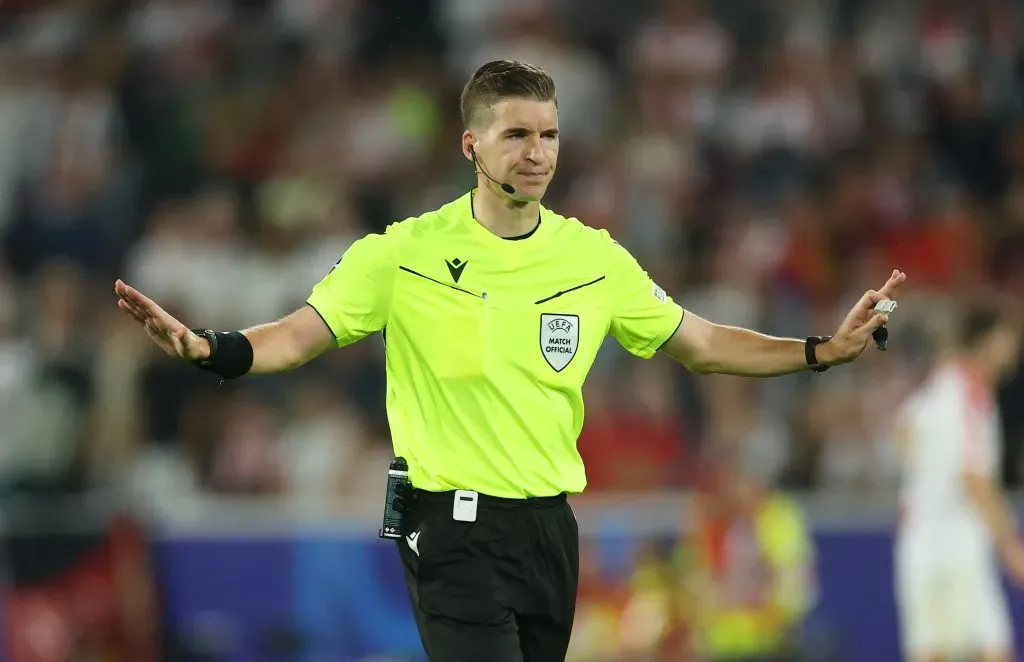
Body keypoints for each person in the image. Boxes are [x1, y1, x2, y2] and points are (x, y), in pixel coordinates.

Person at [113, 60, 905, 662]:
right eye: (517, 134)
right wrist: (209, 350)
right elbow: (298, 334)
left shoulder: (593, 258)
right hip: (450, 526)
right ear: (472, 144)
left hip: (550, 531)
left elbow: (699, 342)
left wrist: (820, 352)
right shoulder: (403, 254)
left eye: (549, 134)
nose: (537, 153)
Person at [893, 302, 1024, 662]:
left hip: (920, 534)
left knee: (934, 652)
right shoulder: (970, 393)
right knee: (991, 650)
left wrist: (930, 479)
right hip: (956, 538)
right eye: (1007, 337)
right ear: (986, 341)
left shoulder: (940, 384)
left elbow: (903, 432)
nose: (1013, 346)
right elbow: (975, 478)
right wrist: (1011, 546)